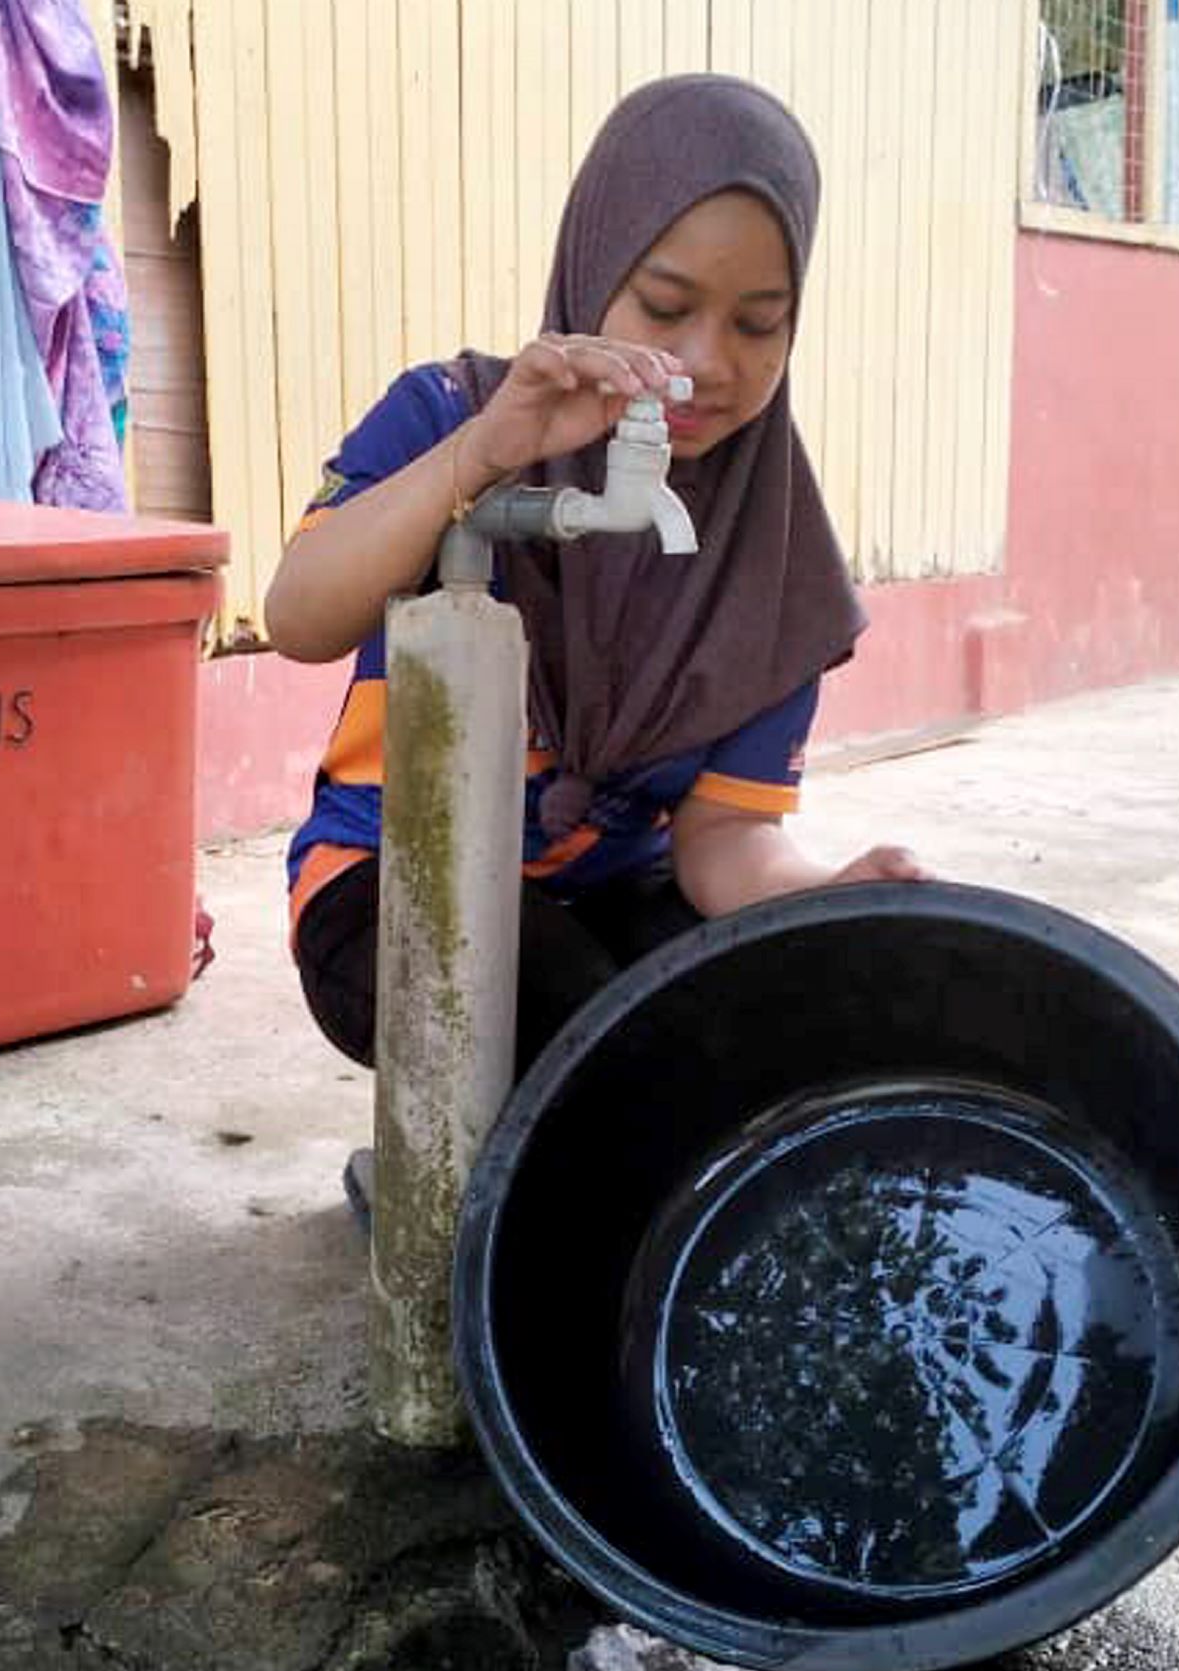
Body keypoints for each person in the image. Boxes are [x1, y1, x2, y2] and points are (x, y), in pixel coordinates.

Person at [265, 73, 927, 1092]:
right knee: (593, 1044)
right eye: (665, 306)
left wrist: (829, 895)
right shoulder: (450, 413)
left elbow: (724, 845)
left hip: (610, 891)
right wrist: (487, 453)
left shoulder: (771, 548)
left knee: (768, 1022)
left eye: (758, 324)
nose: (705, 361)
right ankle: (491, 1228)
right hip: (386, 881)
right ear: (595, 268)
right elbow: (297, 615)